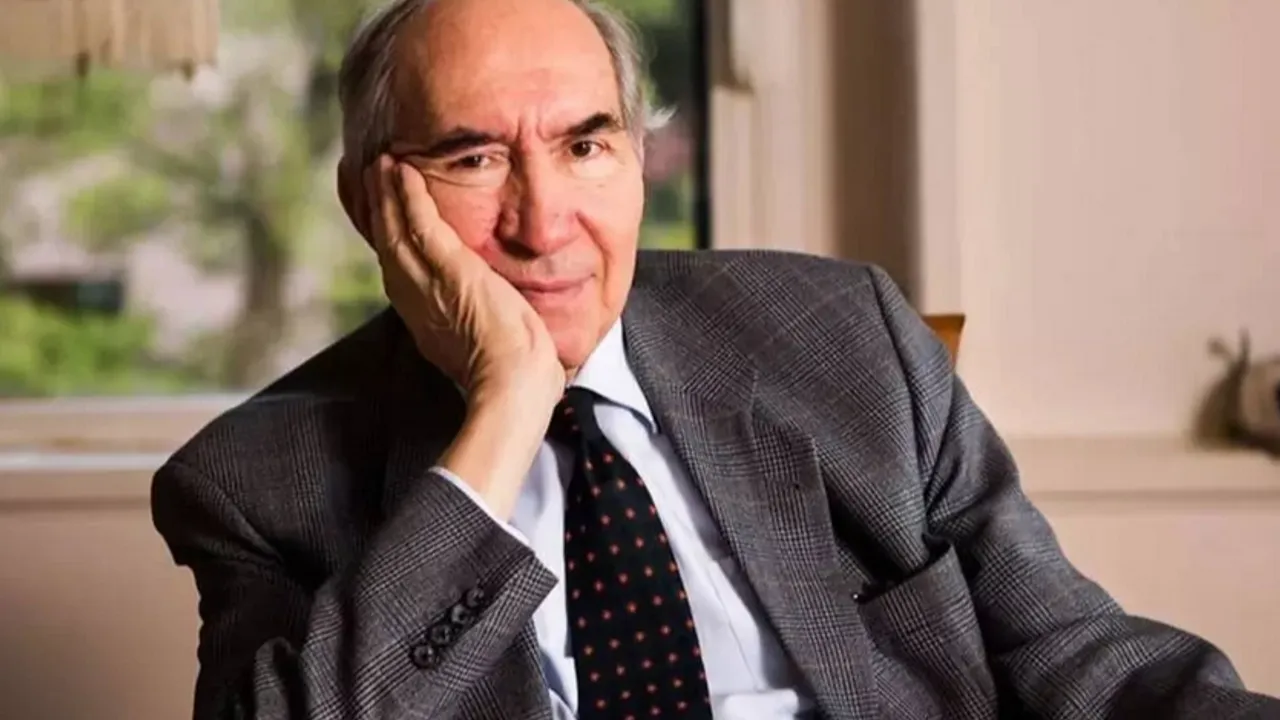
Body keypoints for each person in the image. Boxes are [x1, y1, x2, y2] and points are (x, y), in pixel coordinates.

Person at [150, 0, 1280, 718]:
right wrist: (505, 407)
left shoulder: (846, 339)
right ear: (373, 203)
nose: (545, 224)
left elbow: (1080, 657)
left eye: (586, 145)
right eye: (475, 157)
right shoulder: (254, 483)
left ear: (636, 163)